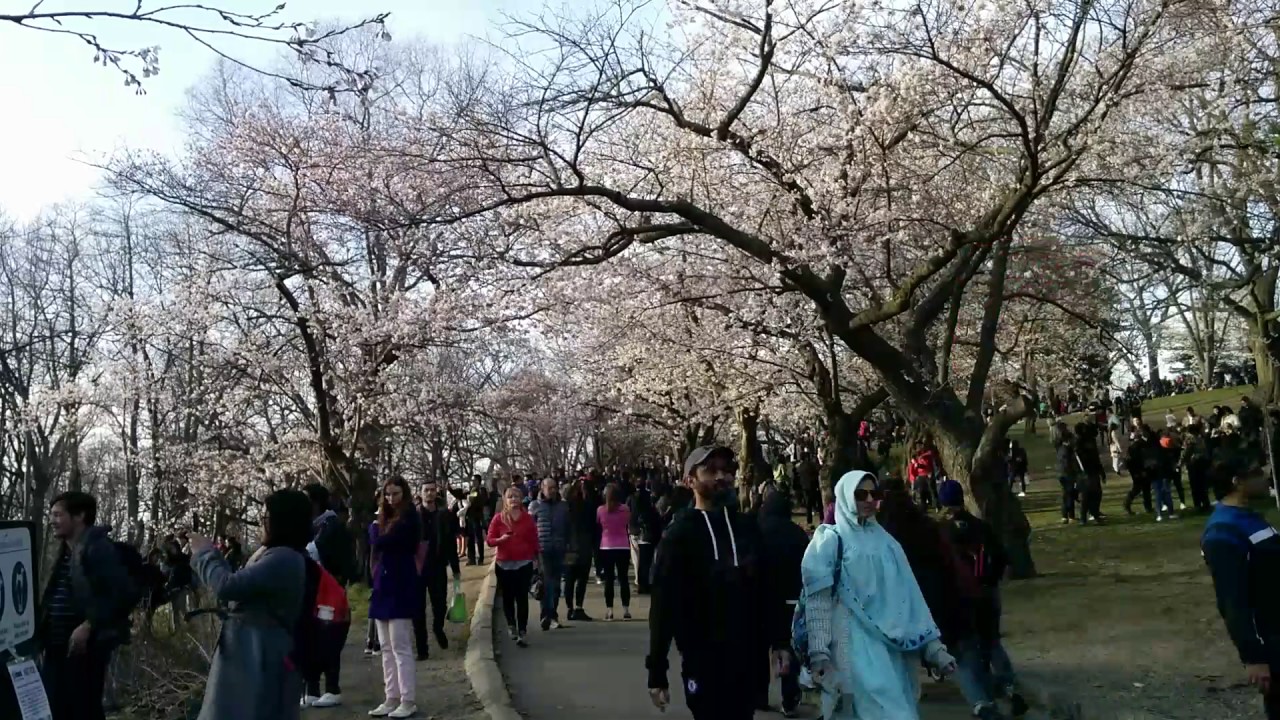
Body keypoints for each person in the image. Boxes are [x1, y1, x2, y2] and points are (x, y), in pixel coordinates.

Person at [801, 471, 956, 720]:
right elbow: (817, 601)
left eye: (875, 494)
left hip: (893, 651)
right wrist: (819, 653)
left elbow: (909, 598)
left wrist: (934, 649)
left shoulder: (889, 544)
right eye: (861, 494)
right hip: (851, 648)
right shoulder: (829, 542)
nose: (869, 500)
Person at [646, 445, 774, 720]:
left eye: (726, 470)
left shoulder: (747, 528)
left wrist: (781, 642)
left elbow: (765, 588)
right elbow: (663, 604)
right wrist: (657, 671)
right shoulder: (679, 535)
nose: (721, 477)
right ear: (689, 480)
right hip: (702, 658)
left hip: (747, 657)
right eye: (710, 470)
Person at [189, 489, 310, 720]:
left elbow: (227, 586)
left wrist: (204, 553)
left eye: (265, 518)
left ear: (282, 521)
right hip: (254, 653)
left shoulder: (283, 558)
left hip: (257, 657)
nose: (260, 524)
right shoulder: (279, 555)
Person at [38, 492, 136, 720]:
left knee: (83, 710)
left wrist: (89, 625)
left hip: (84, 650)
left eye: (58, 515)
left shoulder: (98, 549)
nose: (52, 520)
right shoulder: (66, 551)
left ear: (79, 516)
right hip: (56, 648)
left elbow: (121, 593)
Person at [939, 480, 1029, 720]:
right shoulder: (981, 526)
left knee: (969, 648)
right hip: (988, 592)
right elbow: (1000, 556)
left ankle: (985, 700)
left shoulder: (943, 533)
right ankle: (1009, 686)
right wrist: (991, 579)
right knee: (992, 641)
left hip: (963, 598)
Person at [1201, 461, 1280, 719]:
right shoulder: (1222, 532)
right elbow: (1231, 600)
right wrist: (1253, 657)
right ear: (1237, 481)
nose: (1266, 475)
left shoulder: (1249, 516)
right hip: (1273, 643)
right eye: (1257, 472)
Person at [367, 477, 423, 719]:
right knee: (386, 647)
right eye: (388, 494)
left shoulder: (410, 517)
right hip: (383, 583)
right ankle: (391, 696)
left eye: (396, 494)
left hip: (400, 582)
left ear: (404, 493)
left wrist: (374, 532)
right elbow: (375, 542)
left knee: (400, 646)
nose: (391, 499)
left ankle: (407, 699)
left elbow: (383, 541)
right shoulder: (385, 518)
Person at [755, 488, 809, 717]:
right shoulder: (797, 533)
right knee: (789, 647)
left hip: (762, 600)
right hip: (791, 598)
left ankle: (759, 695)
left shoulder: (757, 532)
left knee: (760, 647)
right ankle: (790, 697)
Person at [302, 484, 355, 708]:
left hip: (329, 591)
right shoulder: (312, 526)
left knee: (330, 638)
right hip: (312, 591)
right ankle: (311, 688)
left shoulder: (331, 525)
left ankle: (332, 688)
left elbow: (330, 556)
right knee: (309, 639)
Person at [488, 485, 540, 647]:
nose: (514, 499)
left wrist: (537, 559)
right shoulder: (498, 518)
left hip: (524, 563)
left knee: (522, 597)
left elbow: (534, 540)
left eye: (517, 496)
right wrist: (501, 539)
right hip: (504, 564)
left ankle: (522, 630)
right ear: (505, 500)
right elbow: (489, 540)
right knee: (508, 598)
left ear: (521, 499)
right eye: (510, 497)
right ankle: (512, 625)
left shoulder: (528, 518)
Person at [416, 479, 461, 654]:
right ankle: (422, 647)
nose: (429, 493)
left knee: (440, 603)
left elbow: (451, 543)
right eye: (426, 490)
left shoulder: (444, 515)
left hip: (437, 565)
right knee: (418, 607)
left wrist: (456, 568)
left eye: (432, 490)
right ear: (420, 493)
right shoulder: (414, 515)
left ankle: (437, 627)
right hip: (418, 567)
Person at [530, 477, 571, 630]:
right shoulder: (535, 506)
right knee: (546, 583)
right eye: (550, 488)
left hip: (559, 549)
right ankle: (546, 616)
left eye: (555, 487)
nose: (553, 490)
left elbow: (568, 528)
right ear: (542, 488)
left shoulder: (563, 506)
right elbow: (530, 529)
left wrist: (569, 547)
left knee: (556, 585)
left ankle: (553, 615)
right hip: (542, 549)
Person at [596, 483, 633, 621]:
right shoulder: (625, 509)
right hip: (623, 545)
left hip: (606, 546)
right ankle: (626, 609)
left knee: (609, 580)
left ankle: (610, 610)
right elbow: (627, 523)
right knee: (623, 579)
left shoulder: (601, 510)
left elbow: (599, 524)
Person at [562, 478, 597, 621]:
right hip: (584, 546)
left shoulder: (565, 508)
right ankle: (578, 607)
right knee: (582, 579)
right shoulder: (588, 506)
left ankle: (569, 608)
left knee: (569, 578)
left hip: (570, 546)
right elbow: (593, 527)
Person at [628, 473, 661, 595]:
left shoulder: (632, 498)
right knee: (647, 561)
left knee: (639, 560)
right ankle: (645, 583)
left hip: (635, 530)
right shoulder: (649, 502)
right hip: (647, 532)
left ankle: (640, 583)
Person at [1182, 423, 1214, 512]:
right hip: (1202, 463)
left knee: (1195, 485)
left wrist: (1181, 462)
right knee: (1202, 485)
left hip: (1194, 464)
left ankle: (1198, 504)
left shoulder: (1190, 439)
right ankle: (1206, 503)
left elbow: (1187, 452)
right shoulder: (1200, 439)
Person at [1054, 422, 1081, 524]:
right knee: (1069, 494)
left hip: (1062, 473)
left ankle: (1067, 515)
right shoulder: (1067, 450)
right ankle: (1069, 516)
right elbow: (1070, 463)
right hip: (1067, 474)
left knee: (1067, 494)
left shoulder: (1060, 448)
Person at [464, 476, 490, 566]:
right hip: (469, 518)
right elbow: (463, 496)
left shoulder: (481, 490)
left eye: (474, 480)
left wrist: (472, 498)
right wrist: (451, 490)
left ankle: (481, 559)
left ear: (478, 481)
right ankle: (471, 559)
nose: (472, 482)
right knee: (470, 539)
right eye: (471, 480)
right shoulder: (471, 491)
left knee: (479, 538)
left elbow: (483, 501)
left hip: (477, 517)